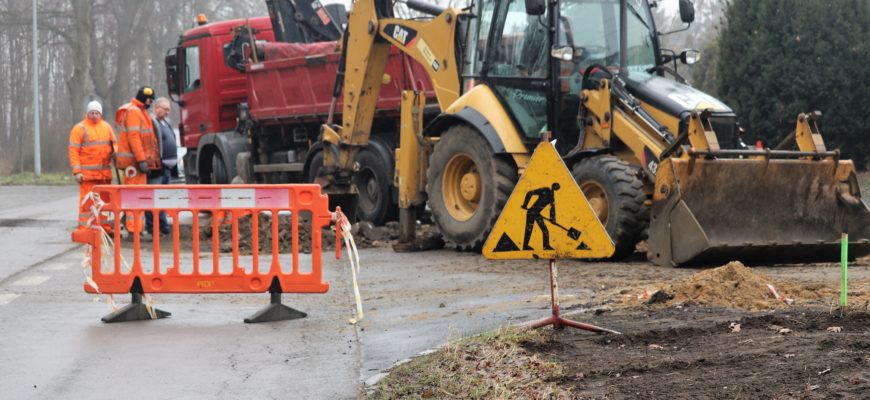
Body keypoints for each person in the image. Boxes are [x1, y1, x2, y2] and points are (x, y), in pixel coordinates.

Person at [115, 86, 161, 238]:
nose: (151, 103)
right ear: (145, 99)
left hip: (137, 164)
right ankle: (134, 230)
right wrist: (142, 160)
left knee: (138, 197)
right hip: (134, 165)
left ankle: (137, 229)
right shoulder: (135, 112)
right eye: (150, 101)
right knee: (134, 197)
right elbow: (134, 138)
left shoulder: (139, 112)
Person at [69, 100, 116, 230]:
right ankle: (86, 230)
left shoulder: (107, 127)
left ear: (101, 114)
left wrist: (116, 153)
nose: (94, 115)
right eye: (92, 113)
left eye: (97, 113)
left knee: (104, 204)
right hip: (87, 177)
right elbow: (73, 151)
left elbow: (114, 144)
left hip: (104, 176)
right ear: (87, 113)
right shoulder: (79, 129)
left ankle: (105, 229)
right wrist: (77, 172)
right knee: (87, 204)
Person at [145, 97, 177, 236]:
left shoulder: (165, 123)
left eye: (169, 110)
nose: (167, 112)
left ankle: (163, 225)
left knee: (163, 198)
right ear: (156, 108)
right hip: (156, 168)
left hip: (167, 168)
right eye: (165, 109)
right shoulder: (151, 122)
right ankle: (152, 226)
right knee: (153, 197)